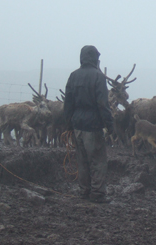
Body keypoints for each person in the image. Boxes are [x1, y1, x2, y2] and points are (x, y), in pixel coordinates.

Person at [64, 45, 114, 203]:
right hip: (93, 127)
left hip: (77, 125)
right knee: (97, 160)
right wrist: (110, 126)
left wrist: (68, 125)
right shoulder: (98, 77)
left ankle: (84, 191)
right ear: (95, 59)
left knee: (82, 160)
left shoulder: (73, 76)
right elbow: (103, 104)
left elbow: (68, 104)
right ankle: (98, 194)